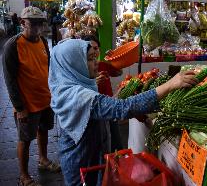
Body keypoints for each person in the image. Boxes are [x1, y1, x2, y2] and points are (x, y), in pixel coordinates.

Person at [48, 39, 198, 185]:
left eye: (95, 57)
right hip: (81, 163)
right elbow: (121, 108)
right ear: (73, 64)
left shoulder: (69, 86)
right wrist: (170, 85)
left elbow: (97, 110)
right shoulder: (77, 95)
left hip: (89, 157)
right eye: (89, 59)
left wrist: (116, 96)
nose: (96, 63)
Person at [2, 6, 60, 186]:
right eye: (32, 24)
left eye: (40, 24)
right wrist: (20, 108)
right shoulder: (13, 45)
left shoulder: (43, 41)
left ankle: (43, 159)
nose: (37, 28)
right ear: (22, 23)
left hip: (46, 98)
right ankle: (23, 176)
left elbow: (49, 69)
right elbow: (10, 80)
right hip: (27, 104)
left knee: (44, 130)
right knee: (25, 139)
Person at [81, 35, 124, 151]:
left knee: (116, 139)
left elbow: (119, 72)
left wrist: (114, 59)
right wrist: (93, 83)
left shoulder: (103, 65)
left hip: (110, 105)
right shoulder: (81, 69)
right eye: (91, 49)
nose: (94, 52)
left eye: (96, 48)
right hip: (95, 110)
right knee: (100, 143)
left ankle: (117, 160)